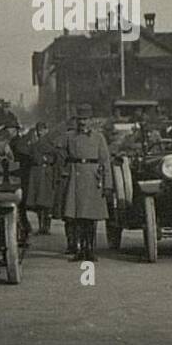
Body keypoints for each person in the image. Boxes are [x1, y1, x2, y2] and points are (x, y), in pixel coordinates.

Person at [57, 103, 111, 262]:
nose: (82, 123)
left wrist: (108, 184)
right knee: (77, 218)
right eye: (80, 119)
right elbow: (55, 149)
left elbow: (105, 161)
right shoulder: (69, 136)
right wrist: (64, 169)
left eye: (86, 119)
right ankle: (79, 249)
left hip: (93, 178)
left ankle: (90, 250)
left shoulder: (98, 137)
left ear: (91, 120)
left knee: (91, 218)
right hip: (75, 178)